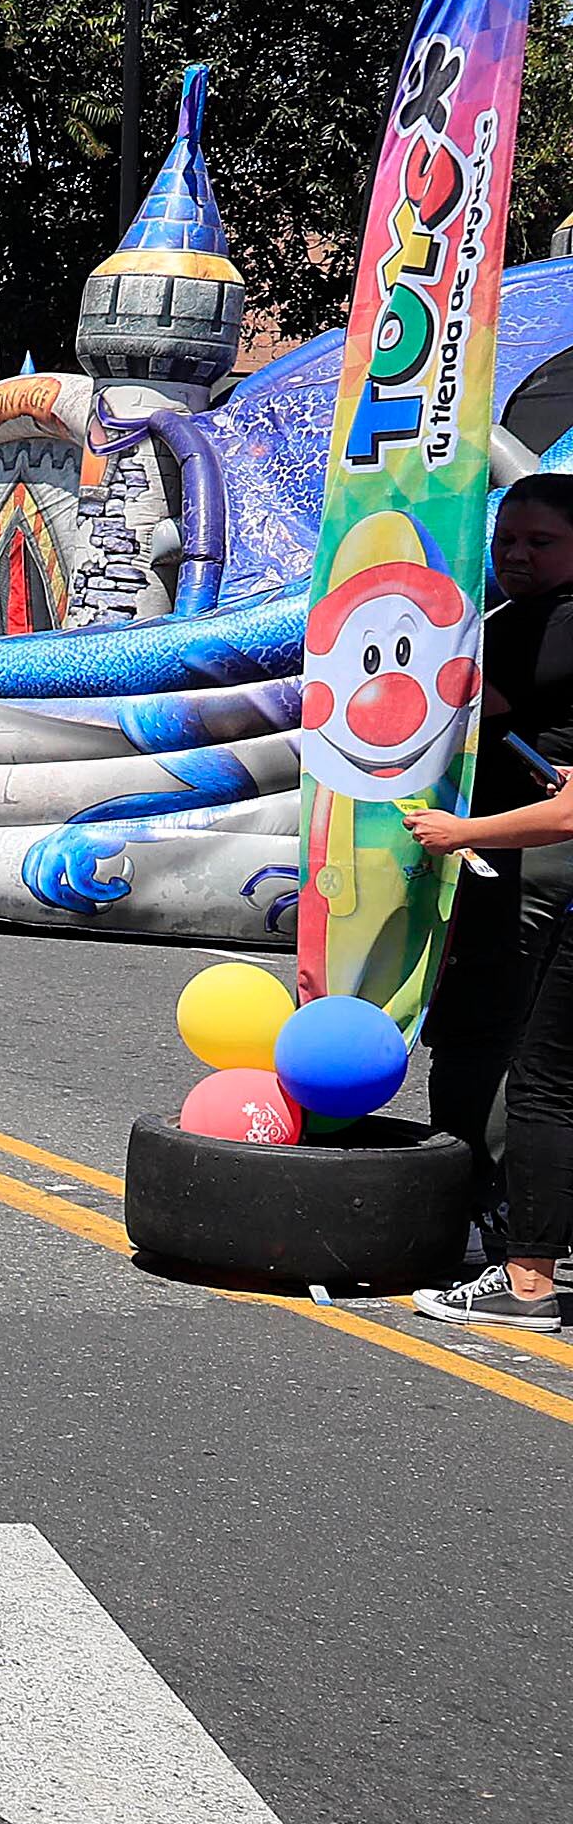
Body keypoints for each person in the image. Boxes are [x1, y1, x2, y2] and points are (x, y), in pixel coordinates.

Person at [407, 473, 573, 1326]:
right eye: (506, 537)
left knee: (498, 1042)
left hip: (530, 861)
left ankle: (500, 1221)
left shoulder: (555, 624)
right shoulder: (518, 618)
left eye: (540, 542)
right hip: (514, 850)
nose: (515, 554)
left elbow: (448, 699)